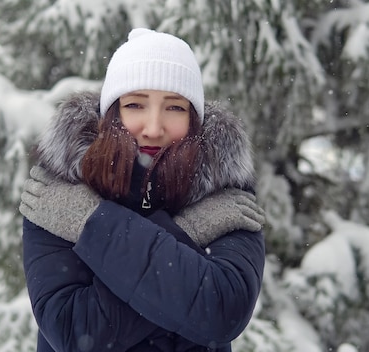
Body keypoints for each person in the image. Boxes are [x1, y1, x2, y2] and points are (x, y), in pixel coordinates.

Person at [19, 28, 266, 352]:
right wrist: (189, 233)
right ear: (113, 113)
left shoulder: (226, 190)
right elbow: (73, 330)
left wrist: (91, 225)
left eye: (174, 107)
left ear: (194, 118)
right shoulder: (59, 190)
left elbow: (221, 310)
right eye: (136, 104)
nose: (153, 127)